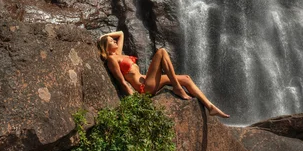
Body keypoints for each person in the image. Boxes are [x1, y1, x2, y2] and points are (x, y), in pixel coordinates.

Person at [98, 31, 229, 118]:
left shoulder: (119, 54)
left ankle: (211, 107)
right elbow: (121, 82)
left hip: (147, 80)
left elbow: (120, 33)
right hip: (144, 88)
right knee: (161, 52)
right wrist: (137, 104)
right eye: (111, 41)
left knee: (186, 79)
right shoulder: (112, 60)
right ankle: (177, 88)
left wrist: (103, 37)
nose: (115, 41)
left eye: (114, 40)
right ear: (106, 46)